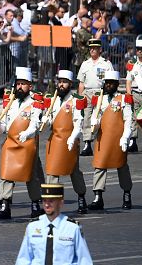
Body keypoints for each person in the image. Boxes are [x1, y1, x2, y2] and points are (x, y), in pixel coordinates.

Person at [0, 67, 45, 220]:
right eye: (18, 84)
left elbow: (35, 124)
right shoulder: (11, 104)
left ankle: (35, 205)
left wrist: (27, 133)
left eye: (23, 84)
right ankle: (5, 205)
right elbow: (5, 128)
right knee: (7, 174)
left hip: (27, 144)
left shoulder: (35, 104)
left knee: (31, 175)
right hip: (11, 143)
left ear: (30, 86)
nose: (20, 87)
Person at [42, 70, 89, 214]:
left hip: (70, 141)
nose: (61, 85)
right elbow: (51, 121)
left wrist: (72, 138)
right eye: (60, 82)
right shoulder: (53, 99)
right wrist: (46, 120)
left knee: (74, 172)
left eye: (64, 82)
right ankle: (52, 204)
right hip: (55, 141)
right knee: (52, 172)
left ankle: (81, 197)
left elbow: (78, 124)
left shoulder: (75, 100)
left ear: (70, 84)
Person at [87, 70, 133, 211]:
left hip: (118, 139)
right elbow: (95, 124)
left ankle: (126, 193)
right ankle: (98, 197)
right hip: (103, 138)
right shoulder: (100, 99)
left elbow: (128, 120)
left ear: (117, 84)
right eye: (107, 83)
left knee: (122, 165)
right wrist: (94, 122)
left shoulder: (123, 99)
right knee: (99, 166)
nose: (108, 86)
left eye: (111, 83)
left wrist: (126, 137)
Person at [15, 183, 92, 265]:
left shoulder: (72, 228)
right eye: (44, 201)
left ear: (61, 202)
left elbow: (84, 260)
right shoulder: (33, 227)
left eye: (51, 201)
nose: (47, 205)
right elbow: (23, 259)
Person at [76, 38, 114, 156]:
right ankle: (87, 143)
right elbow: (81, 83)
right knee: (86, 118)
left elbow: (111, 80)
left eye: (95, 48)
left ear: (100, 49)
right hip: (87, 92)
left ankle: (102, 142)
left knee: (100, 118)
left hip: (100, 92)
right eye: (91, 48)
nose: (92, 50)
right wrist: (79, 97)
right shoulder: (85, 64)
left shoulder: (106, 63)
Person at [125, 38, 142, 153]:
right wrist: (129, 94)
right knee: (133, 119)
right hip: (136, 93)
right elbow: (128, 81)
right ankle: (133, 141)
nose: (139, 51)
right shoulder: (132, 65)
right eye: (138, 49)